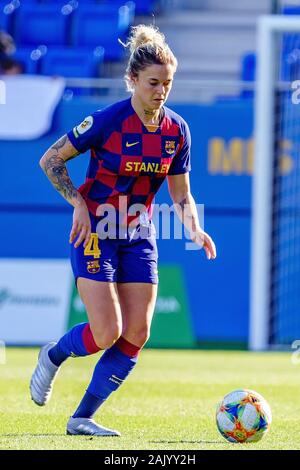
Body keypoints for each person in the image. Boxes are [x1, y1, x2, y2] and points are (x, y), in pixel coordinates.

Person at [30, 24, 217, 436]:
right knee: (106, 332)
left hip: (138, 235)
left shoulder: (177, 131)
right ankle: (54, 355)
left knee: (137, 332)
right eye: (153, 82)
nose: (161, 91)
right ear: (132, 79)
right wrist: (78, 203)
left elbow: (181, 194)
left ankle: (82, 417)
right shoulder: (107, 120)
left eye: (167, 83)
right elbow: (50, 160)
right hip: (96, 230)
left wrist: (195, 229)